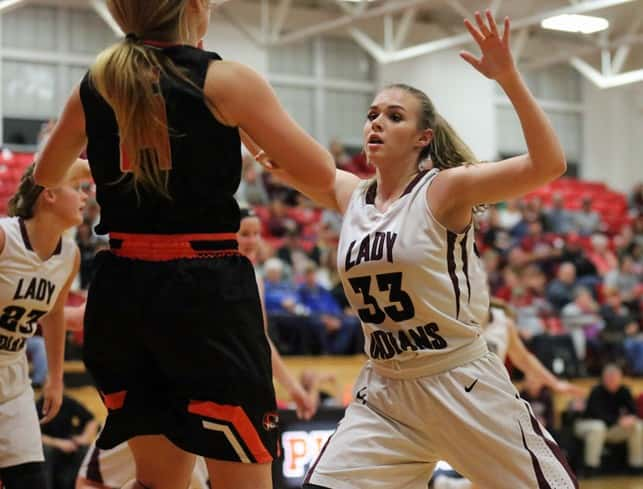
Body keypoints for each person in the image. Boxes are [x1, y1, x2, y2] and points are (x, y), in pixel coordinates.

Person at [253, 10, 577, 489]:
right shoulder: (352, 195)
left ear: (423, 138)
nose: (376, 123)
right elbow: (277, 152)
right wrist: (230, 114)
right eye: (371, 115)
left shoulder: (443, 190)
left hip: (460, 382)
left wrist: (508, 77)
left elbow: (549, 164)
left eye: (394, 116)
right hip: (385, 389)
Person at [33, 1, 335, 488]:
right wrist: (261, 151)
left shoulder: (98, 80)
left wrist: (98, 166)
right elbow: (319, 172)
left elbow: (45, 174)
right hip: (203, 290)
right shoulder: (225, 79)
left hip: (122, 288)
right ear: (195, 7)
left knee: (156, 482)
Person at [74, 207, 317, 489]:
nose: (251, 241)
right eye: (244, 234)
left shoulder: (249, 277)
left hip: (203, 389)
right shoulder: (204, 274)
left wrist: (294, 389)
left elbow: (260, 343)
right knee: (99, 478)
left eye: (256, 234)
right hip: (175, 382)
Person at [431, 300, 585, 489]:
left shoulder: (503, 323)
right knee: (489, 467)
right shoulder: (452, 318)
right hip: (457, 400)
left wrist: (556, 384)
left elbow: (523, 358)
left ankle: (450, 485)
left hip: (494, 401)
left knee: (497, 467)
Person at [0, 164, 84, 488]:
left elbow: (54, 314)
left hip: (13, 375)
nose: (84, 196)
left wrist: (56, 378)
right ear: (48, 194)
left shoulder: (70, 255)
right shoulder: (6, 238)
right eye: (77, 187)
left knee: (32, 481)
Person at [574, 364, 643, 476]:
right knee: (598, 426)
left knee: (638, 426)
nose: (612, 380)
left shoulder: (624, 391)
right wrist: (619, 420)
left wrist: (631, 418)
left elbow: (633, 412)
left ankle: (636, 466)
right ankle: (591, 467)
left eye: (615, 377)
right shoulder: (596, 391)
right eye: (609, 377)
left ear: (620, 378)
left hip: (611, 429)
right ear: (603, 378)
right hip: (587, 425)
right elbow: (597, 414)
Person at [38, 393, 99, 489]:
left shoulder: (68, 402)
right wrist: (58, 443)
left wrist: (84, 438)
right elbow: (34, 433)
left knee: (86, 451)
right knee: (46, 451)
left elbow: (92, 420)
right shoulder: (38, 405)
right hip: (49, 444)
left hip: (70, 443)